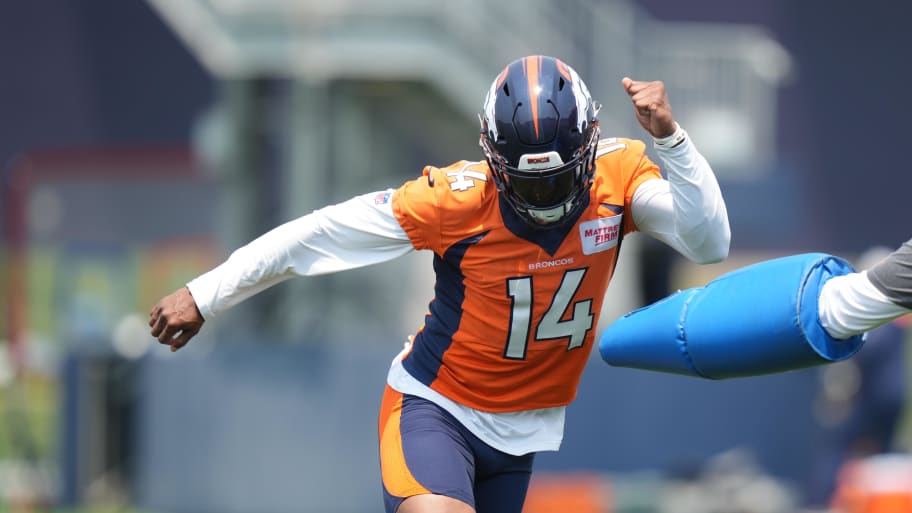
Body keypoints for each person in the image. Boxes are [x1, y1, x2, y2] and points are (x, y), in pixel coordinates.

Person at [147, 55, 731, 513]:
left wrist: (672, 141)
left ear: (588, 149)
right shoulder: (455, 201)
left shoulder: (619, 175)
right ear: (494, 161)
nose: (546, 200)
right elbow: (316, 235)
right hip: (436, 407)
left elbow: (709, 243)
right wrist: (207, 293)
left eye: (556, 181)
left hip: (521, 433)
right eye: (529, 187)